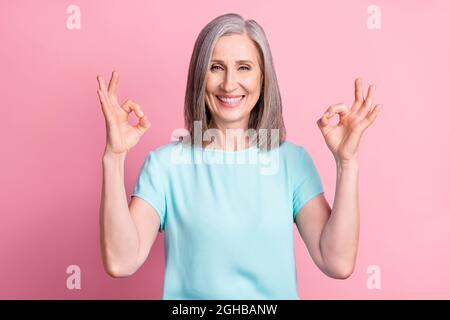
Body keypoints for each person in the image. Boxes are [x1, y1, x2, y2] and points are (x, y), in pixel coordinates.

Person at [97, 13, 382, 300]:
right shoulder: (165, 166)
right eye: (216, 67)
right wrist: (114, 157)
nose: (229, 84)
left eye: (244, 67)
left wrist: (347, 163)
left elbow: (338, 262)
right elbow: (121, 262)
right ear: (199, 76)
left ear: (263, 77)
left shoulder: (292, 162)